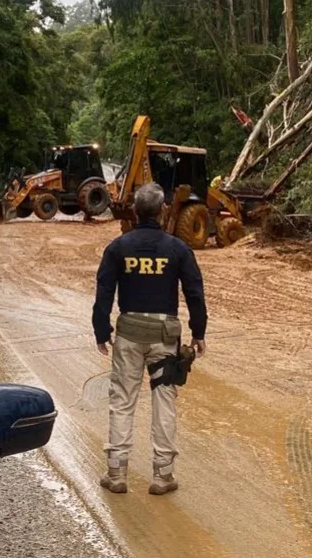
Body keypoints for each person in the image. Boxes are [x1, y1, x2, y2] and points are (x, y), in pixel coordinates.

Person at [92, 183, 207, 496]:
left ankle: (116, 473)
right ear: (162, 211)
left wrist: (101, 330)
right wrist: (199, 332)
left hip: (128, 333)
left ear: (134, 210)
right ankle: (163, 475)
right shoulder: (178, 249)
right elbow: (194, 291)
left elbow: (104, 290)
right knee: (164, 401)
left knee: (122, 400)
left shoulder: (118, 248)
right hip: (164, 337)